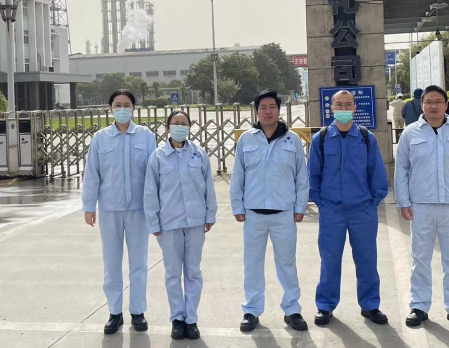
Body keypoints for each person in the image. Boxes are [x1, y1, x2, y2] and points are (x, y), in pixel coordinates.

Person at [395, 85, 449, 330]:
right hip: (421, 206)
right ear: (422, 105)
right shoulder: (410, 133)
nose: (433, 106)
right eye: (428, 102)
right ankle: (419, 306)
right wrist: (403, 202)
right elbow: (402, 170)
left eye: (438, 102)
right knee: (420, 259)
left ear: (446, 105)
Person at [307, 90, 389, 326]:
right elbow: (312, 175)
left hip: (362, 211)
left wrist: (373, 202)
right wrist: (321, 202)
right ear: (331, 108)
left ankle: (370, 305)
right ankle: (325, 305)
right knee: (330, 260)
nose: (343, 109)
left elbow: (377, 173)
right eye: (339, 105)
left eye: (347, 104)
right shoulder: (321, 138)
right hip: (331, 211)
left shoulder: (366, 137)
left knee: (367, 259)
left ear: (355, 108)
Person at [230, 89, 310, 333]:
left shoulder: (292, 140)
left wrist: (300, 206)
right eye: (263, 107)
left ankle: (292, 309)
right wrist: (237, 205)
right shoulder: (246, 139)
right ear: (256, 111)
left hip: (284, 213)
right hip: (253, 214)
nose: (268, 112)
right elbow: (238, 175)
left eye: (272, 107)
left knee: (287, 263)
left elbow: (301, 176)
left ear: (278, 110)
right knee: (252, 264)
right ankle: (251, 310)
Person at [82, 89, 157, 335]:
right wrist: (89, 206)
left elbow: (154, 173)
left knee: (139, 263)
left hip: (139, 210)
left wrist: (156, 206)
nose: (122, 109)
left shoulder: (145, 136)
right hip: (110, 208)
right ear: (110, 109)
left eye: (126, 105)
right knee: (111, 264)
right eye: (117, 105)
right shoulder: (100, 138)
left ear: (133, 108)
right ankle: (115, 312)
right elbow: (92, 173)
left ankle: (138, 311)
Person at [144, 111, 217, 340]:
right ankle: (177, 318)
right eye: (175, 123)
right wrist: (153, 221)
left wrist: (210, 215)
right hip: (169, 223)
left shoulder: (199, 154)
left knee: (193, 271)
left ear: (189, 127)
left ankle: (191, 319)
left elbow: (208, 186)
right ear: (167, 128)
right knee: (173, 273)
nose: (179, 127)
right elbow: (150, 191)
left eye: (183, 123)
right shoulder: (158, 156)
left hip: (195, 221)